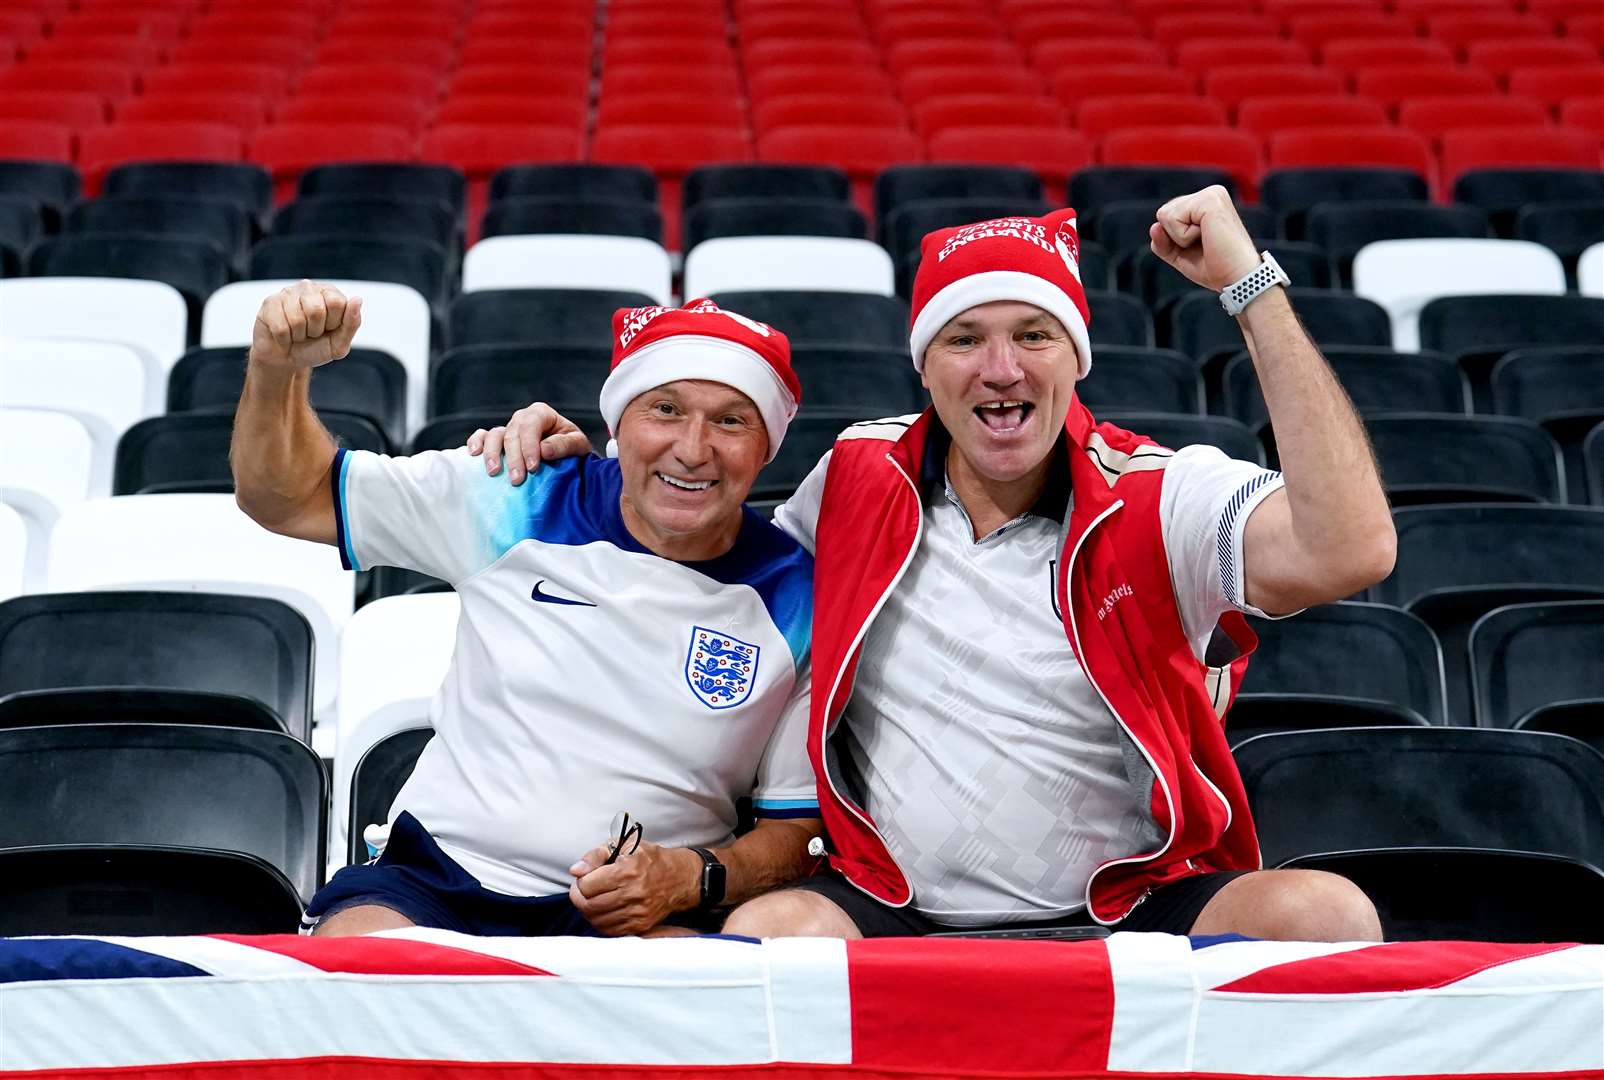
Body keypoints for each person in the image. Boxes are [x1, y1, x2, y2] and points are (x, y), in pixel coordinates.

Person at [472, 188, 1396, 941]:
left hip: (1130, 910)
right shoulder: (855, 476)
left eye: (1032, 335)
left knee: (1325, 916)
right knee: (769, 936)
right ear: (926, 367)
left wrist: (1251, 286)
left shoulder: (1160, 496)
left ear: (1075, 359)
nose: (999, 368)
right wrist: (580, 477)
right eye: (964, 339)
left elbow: (1352, 548)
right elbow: (703, 550)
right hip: (892, 910)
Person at [232, 284, 823, 938]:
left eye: (732, 421)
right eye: (664, 409)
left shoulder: (796, 593)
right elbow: (286, 499)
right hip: (437, 880)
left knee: (708, 995)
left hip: (637, 913)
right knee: (360, 964)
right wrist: (277, 370)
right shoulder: (515, 493)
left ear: (768, 447)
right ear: (617, 424)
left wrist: (688, 874)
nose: (692, 447)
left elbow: (794, 831)